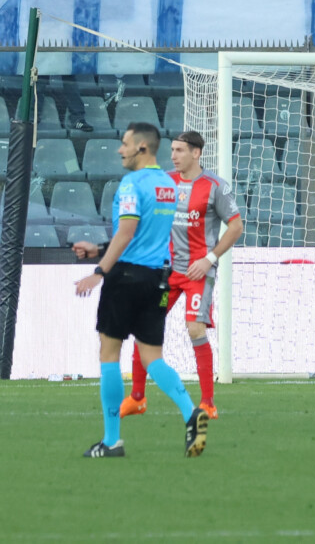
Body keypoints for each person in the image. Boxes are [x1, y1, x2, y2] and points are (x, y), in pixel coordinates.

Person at [71, 121, 206, 458]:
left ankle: (112, 440)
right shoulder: (167, 184)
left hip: (125, 278)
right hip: (158, 278)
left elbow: (128, 232)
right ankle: (191, 411)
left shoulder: (132, 184)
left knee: (109, 353)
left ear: (142, 148)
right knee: (152, 357)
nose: (121, 150)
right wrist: (100, 248)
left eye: (125, 144)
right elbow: (143, 236)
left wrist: (100, 270)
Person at [125, 130, 243, 421]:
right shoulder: (164, 182)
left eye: (179, 150)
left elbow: (237, 226)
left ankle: (208, 403)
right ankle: (138, 398)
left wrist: (209, 258)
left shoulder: (215, 186)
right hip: (166, 272)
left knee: (195, 329)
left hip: (196, 272)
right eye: (173, 150)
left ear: (196, 153)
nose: (173, 155)